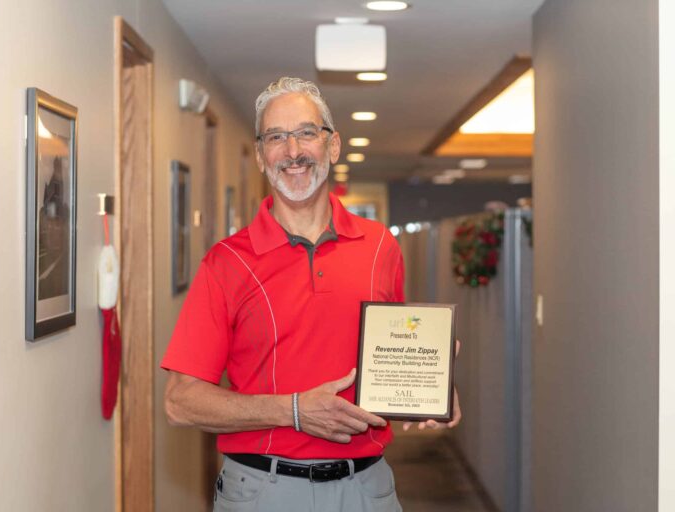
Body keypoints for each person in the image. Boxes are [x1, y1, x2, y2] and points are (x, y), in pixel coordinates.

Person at [162, 77, 461, 512]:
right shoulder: (226, 262)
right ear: (262, 156)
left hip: (368, 490)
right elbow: (179, 402)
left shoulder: (381, 246)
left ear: (333, 145)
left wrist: (430, 385)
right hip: (264, 490)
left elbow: (387, 360)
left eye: (306, 132)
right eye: (276, 137)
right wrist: (295, 410)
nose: (293, 150)